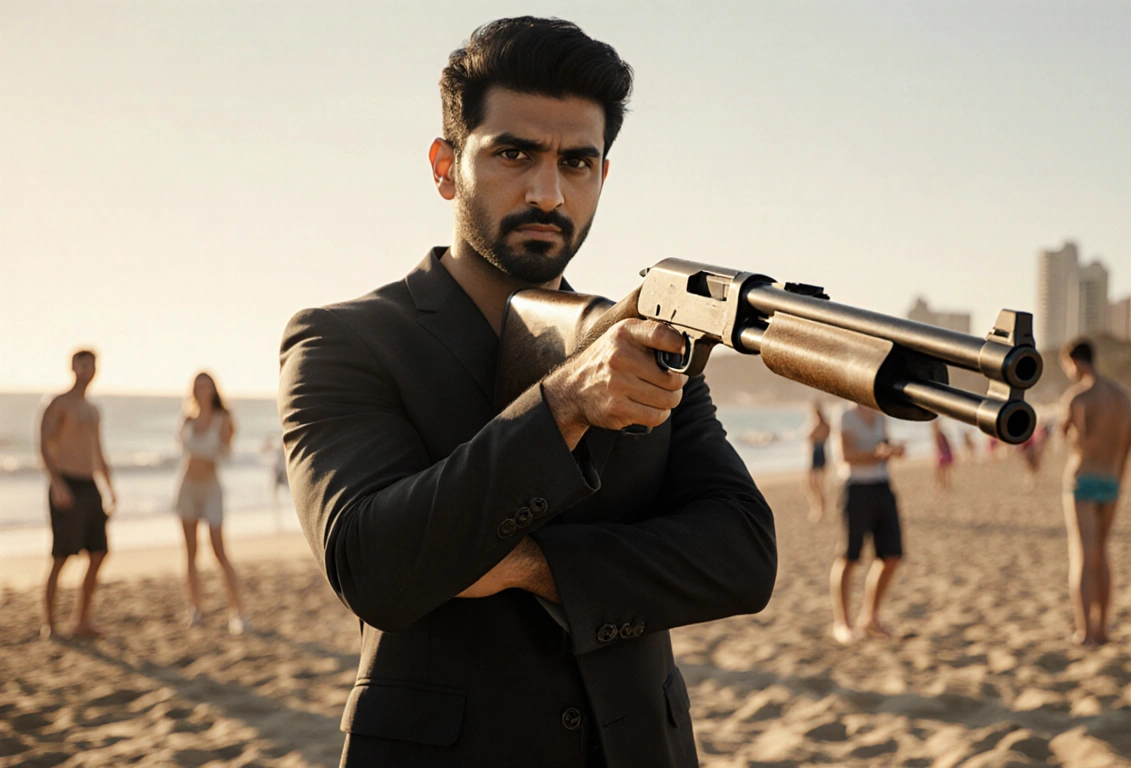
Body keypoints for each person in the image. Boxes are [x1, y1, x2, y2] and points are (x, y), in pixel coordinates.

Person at [277, 18, 776, 767]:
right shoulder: (343, 340)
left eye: (577, 162)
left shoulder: (641, 339)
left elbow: (742, 555)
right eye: (514, 153)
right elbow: (373, 567)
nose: (548, 191)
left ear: (602, 177)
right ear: (445, 166)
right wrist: (567, 403)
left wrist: (533, 565)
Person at [1058, 338, 1131, 646]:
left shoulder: (1078, 395)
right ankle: (1103, 628)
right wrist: (1119, 475)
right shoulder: (1121, 396)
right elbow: (1129, 442)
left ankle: (1084, 630)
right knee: (1102, 554)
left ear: (1074, 362)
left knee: (1082, 556)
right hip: (1111, 478)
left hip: (1082, 477)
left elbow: (1066, 436)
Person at [37, 349, 117, 639]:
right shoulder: (58, 403)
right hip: (65, 482)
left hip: (89, 484)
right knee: (61, 555)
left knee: (98, 553)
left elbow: (98, 450)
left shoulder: (93, 409)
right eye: (82, 364)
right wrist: (57, 483)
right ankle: (50, 622)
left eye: (92, 365)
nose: (87, 370)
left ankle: (82, 619)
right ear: (73, 367)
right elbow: (44, 446)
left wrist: (109, 486)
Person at [175, 372, 248, 634]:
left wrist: (228, 433)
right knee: (190, 553)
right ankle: (195, 610)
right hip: (187, 488)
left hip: (211, 489)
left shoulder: (224, 419)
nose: (202, 391)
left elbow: (225, 454)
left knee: (219, 551)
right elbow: (183, 449)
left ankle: (238, 613)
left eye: (206, 386)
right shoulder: (187, 419)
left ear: (214, 390)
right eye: (197, 386)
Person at [829, 404, 904, 644]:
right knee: (849, 557)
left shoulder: (880, 414)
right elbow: (846, 456)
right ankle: (842, 623)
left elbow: (883, 448)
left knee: (891, 557)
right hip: (856, 488)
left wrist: (894, 451)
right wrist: (877, 453)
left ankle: (870, 617)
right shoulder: (844, 414)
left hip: (882, 486)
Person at [804, 400, 831, 522]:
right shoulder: (825, 424)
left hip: (817, 454)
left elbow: (810, 437)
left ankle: (820, 508)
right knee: (813, 484)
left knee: (815, 484)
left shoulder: (819, 424)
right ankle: (818, 507)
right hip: (819, 454)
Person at [931, 420, 954, 491]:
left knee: (941, 471)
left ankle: (943, 484)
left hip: (943, 454)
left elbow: (939, 446)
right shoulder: (940, 433)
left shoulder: (938, 434)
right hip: (945, 453)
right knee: (944, 471)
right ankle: (945, 484)